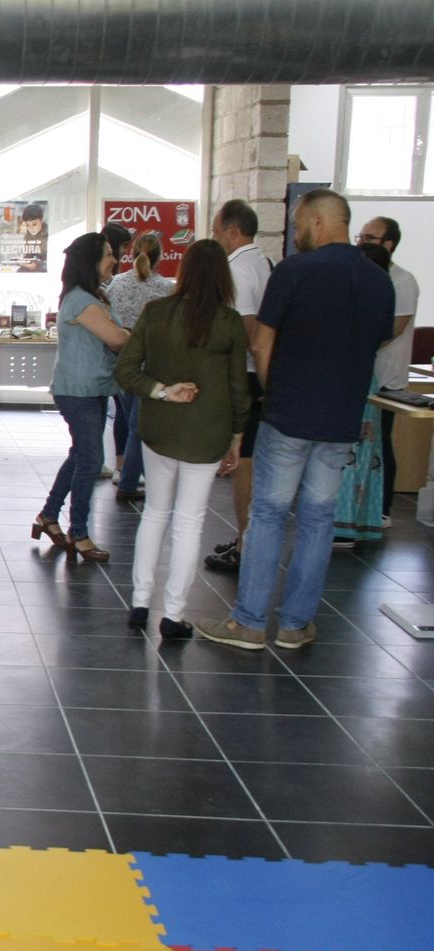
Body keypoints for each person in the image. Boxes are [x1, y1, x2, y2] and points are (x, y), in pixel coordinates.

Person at [197, 189, 395, 650]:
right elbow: (376, 343)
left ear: (320, 222)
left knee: (267, 514)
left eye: (300, 223)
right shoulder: (378, 281)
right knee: (318, 519)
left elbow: (262, 344)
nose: (296, 231)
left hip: (289, 413)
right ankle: (294, 624)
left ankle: (248, 622)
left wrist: (275, 389)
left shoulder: (294, 271)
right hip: (342, 416)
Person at [114, 240, 249, 640]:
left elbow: (126, 371)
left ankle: (140, 603)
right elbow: (239, 387)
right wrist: (237, 434)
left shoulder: (155, 313)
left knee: (155, 512)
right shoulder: (229, 322)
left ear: (184, 271)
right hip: (208, 433)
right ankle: (172, 615)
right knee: (189, 522)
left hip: (158, 430)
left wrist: (162, 391)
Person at [33, 233, 131, 561]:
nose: (114, 260)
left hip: (92, 388)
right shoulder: (81, 301)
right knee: (89, 460)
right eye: (107, 255)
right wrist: (130, 335)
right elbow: (116, 338)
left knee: (80, 456)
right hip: (79, 391)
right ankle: (79, 532)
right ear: (90, 261)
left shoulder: (92, 297)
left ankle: (48, 517)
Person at [204, 199, 273, 573]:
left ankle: (247, 541)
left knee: (243, 459)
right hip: (256, 373)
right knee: (248, 458)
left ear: (233, 231)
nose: (217, 239)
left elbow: (248, 331)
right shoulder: (263, 262)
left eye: (217, 232)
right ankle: (248, 536)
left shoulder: (237, 269)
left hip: (246, 374)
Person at [357, 216, 422, 522]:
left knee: (381, 445)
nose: (362, 242)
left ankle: (382, 510)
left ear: (388, 244)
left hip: (385, 379)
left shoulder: (402, 280)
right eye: (361, 236)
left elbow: (393, 328)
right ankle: (355, 507)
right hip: (358, 376)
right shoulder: (361, 276)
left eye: (369, 238)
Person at [106, 231, 177, 503]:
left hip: (120, 362)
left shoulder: (115, 284)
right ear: (159, 258)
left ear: (130, 254)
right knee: (139, 423)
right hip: (152, 365)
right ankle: (129, 481)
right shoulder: (167, 289)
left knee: (128, 419)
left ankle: (125, 471)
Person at [332, 243, 394, 544]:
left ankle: (342, 523)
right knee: (363, 453)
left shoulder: (357, 298)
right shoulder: (382, 295)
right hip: (365, 377)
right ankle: (359, 519)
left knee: (349, 452)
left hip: (350, 380)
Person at [101, 222, 134, 482]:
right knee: (123, 411)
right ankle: (125, 466)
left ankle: (118, 464)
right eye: (122, 247)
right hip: (114, 352)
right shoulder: (100, 287)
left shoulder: (116, 281)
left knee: (117, 411)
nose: (122, 254)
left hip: (115, 355)